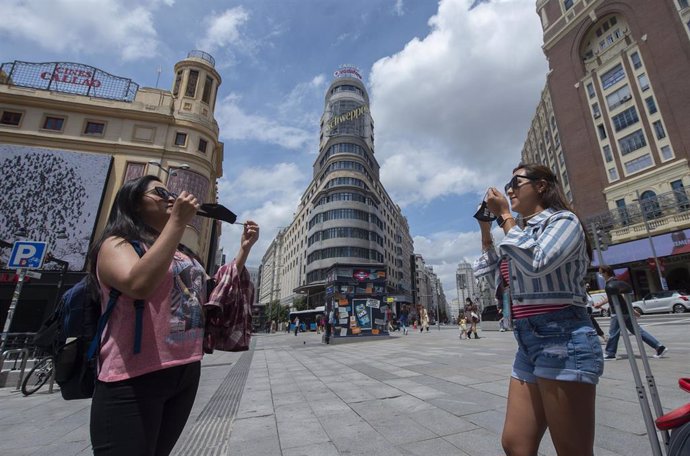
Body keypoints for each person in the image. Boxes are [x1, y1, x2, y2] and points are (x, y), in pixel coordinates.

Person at [88, 175, 259, 455]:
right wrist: (178, 222)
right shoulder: (118, 244)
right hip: (133, 376)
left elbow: (212, 291)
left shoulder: (181, 253)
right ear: (135, 202)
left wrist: (244, 250)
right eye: (160, 192)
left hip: (185, 369)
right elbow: (138, 285)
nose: (171, 197)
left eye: (171, 192)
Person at [473, 163, 603, 456]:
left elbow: (537, 261)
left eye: (515, 182)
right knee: (515, 443)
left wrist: (505, 216)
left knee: (572, 449)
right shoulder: (518, 232)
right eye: (508, 184)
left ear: (541, 185)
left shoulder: (563, 222)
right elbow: (489, 271)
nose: (509, 189)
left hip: (564, 338)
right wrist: (485, 228)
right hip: (527, 340)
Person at [596, 265, 667, 360]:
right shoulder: (615, 282)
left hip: (618, 312)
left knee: (613, 333)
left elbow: (623, 296)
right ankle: (659, 347)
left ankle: (610, 353)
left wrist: (632, 310)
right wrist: (600, 303)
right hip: (624, 312)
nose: (600, 275)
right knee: (637, 331)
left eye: (601, 273)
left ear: (605, 273)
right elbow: (611, 297)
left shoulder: (612, 284)